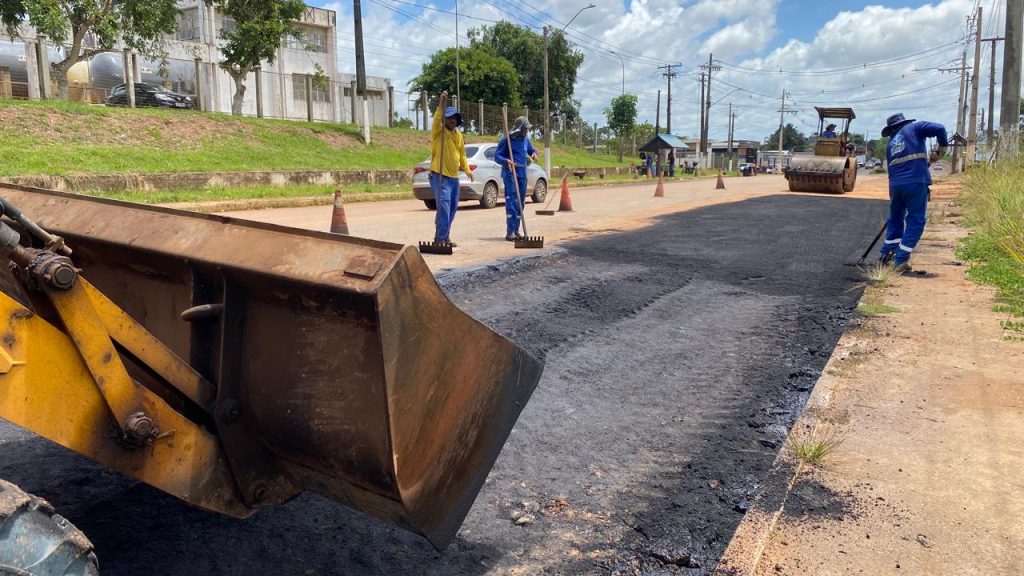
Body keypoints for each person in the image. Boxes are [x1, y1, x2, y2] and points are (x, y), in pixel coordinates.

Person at [879, 112, 948, 272]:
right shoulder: (916, 127)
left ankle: (886, 255)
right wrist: (942, 148)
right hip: (916, 182)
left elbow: (891, 169)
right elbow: (940, 128)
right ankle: (900, 260)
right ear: (904, 122)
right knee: (916, 220)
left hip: (896, 186)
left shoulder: (890, 144)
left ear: (891, 129)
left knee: (895, 219)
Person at [429, 90, 473, 246]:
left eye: (454, 118)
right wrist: (441, 103)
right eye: (449, 118)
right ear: (445, 120)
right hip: (439, 175)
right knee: (444, 206)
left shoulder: (459, 136)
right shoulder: (439, 132)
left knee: (452, 208)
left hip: (454, 178)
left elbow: (462, 155)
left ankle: (445, 236)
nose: (452, 120)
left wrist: (467, 170)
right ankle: (439, 239)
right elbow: (437, 119)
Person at [494, 116, 539, 241]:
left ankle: (516, 230)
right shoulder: (507, 139)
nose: (526, 131)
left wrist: (534, 154)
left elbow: (531, 150)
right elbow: (497, 156)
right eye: (525, 129)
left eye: (527, 129)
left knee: (521, 204)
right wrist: (506, 160)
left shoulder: (526, 140)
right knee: (512, 202)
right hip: (510, 173)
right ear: (519, 128)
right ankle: (510, 232)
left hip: (522, 174)